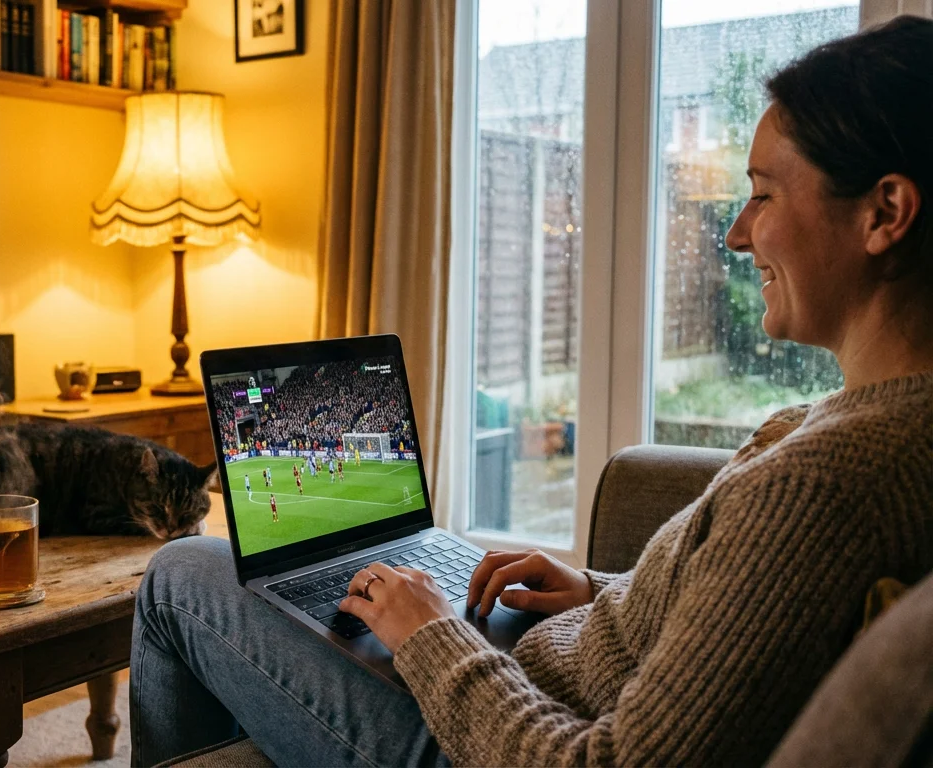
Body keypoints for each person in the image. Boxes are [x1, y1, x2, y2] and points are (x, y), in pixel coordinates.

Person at [129, 18, 933, 768]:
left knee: (182, 572)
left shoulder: (820, 487)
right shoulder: (886, 429)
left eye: (764, 194)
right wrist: (596, 593)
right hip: (539, 675)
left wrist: (431, 635)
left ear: (885, 212)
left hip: (487, 738)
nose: (736, 231)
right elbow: (740, 618)